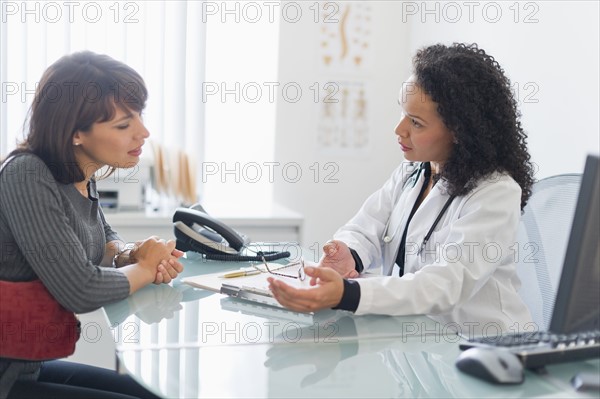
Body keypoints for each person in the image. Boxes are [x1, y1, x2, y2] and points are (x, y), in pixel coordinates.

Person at [268, 43, 536, 335]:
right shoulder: (413, 171)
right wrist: (348, 253)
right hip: (425, 344)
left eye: (416, 123)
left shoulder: (495, 192)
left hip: (487, 349)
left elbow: (446, 282)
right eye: (403, 114)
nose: (399, 130)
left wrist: (350, 293)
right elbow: (366, 226)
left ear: (459, 131)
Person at [0, 51, 183, 398]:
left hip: (26, 367)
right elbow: (80, 289)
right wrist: (146, 267)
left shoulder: (78, 174)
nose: (143, 133)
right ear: (75, 134)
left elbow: (100, 239)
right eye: (123, 125)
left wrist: (128, 254)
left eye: (139, 117)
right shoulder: (27, 174)